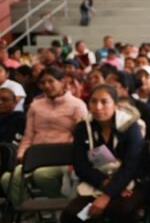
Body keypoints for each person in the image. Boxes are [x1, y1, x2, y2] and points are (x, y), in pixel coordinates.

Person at [61, 85, 150, 223]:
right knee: (73, 216)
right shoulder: (83, 128)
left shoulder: (131, 127)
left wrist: (107, 195)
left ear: (116, 105)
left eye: (104, 102)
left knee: (119, 209)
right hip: (99, 184)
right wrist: (105, 184)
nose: (98, 107)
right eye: (93, 102)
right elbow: (80, 165)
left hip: (134, 184)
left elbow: (131, 166)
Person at [2, 67, 88, 204]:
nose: (46, 86)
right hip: (36, 156)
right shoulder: (35, 106)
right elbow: (28, 135)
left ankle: (60, 205)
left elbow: (81, 137)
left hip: (63, 158)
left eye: (51, 81)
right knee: (7, 179)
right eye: (42, 83)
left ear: (62, 81)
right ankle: (28, 211)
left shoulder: (77, 105)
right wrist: (22, 154)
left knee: (42, 175)